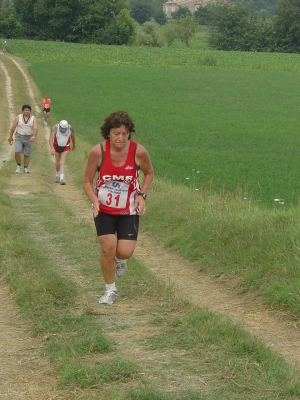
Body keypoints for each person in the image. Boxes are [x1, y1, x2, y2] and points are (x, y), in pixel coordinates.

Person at [83, 110, 154, 305]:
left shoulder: (138, 152)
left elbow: (149, 173)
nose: (121, 138)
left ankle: (120, 260)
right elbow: (87, 181)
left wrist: (142, 195)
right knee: (108, 248)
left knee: (124, 252)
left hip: (128, 209)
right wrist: (94, 200)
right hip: (104, 208)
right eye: (116, 134)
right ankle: (110, 289)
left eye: (125, 133)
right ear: (108, 134)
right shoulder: (98, 152)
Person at [8, 104, 38, 174]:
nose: (27, 112)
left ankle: (26, 168)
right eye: (25, 110)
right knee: (17, 151)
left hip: (29, 137)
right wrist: (10, 136)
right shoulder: (18, 117)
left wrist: (33, 136)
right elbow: (13, 127)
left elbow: (36, 128)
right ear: (23, 111)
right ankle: (18, 165)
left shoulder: (33, 118)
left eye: (28, 110)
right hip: (19, 136)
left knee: (27, 154)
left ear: (30, 111)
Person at [49, 120, 76, 185]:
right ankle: (57, 175)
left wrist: (74, 144)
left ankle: (62, 178)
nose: (63, 130)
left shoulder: (70, 128)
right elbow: (51, 138)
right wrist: (52, 148)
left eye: (64, 128)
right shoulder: (55, 128)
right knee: (57, 162)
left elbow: (73, 137)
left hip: (66, 147)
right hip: (56, 146)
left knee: (62, 162)